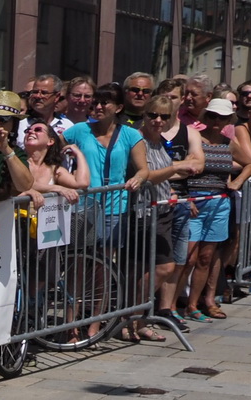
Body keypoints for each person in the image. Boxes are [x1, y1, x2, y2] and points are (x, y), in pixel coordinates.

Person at [128, 94, 204, 331]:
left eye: (164, 116)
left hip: (162, 208)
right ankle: (133, 317)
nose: (158, 120)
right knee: (161, 267)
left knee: (157, 267)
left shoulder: (160, 142)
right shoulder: (137, 139)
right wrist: (178, 166)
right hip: (141, 211)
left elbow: (163, 174)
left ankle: (136, 318)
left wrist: (170, 188)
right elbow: (146, 175)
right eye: (153, 115)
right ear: (144, 115)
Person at [184, 98, 251, 319]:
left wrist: (237, 182)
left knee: (207, 257)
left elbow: (250, 163)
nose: (217, 121)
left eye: (222, 117)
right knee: (188, 257)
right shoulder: (193, 138)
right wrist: (187, 198)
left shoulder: (228, 142)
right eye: (212, 116)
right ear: (205, 117)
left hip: (219, 203)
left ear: (229, 119)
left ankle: (195, 304)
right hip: (194, 202)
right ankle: (176, 302)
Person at [62, 84, 144, 237]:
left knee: (104, 258)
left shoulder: (131, 134)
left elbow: (143, 169)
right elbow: (52, 152)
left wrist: (137, 179)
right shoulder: (79, 130)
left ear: (118, 108)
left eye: (104, 103)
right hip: (84, 205)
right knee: (81, 256)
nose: (98, 107)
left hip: (115, 205)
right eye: (96, 103)